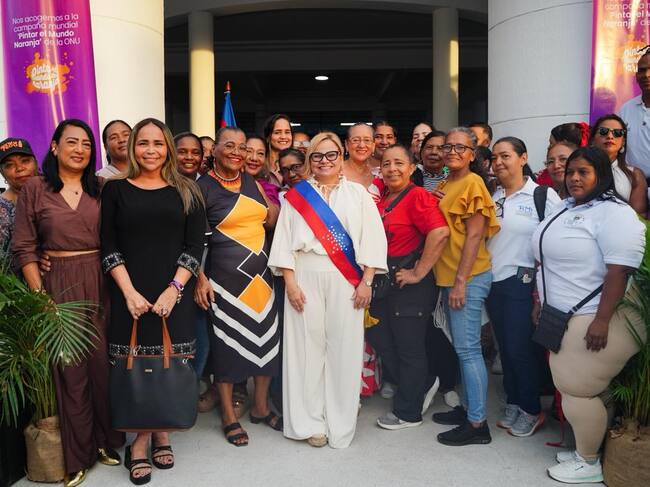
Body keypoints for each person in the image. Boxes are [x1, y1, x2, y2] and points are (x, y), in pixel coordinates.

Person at [13, 119, 123, 487]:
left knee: (102, 368)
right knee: (69, 371)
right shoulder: (36, 188)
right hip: (58, 284)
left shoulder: (102, 188)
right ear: (55, 147)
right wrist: (40, 295)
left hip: (100, 280)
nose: (79, 149)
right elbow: (25, 247)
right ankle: (78, 456)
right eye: (72, 142)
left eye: (87, 144)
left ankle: (106, 441)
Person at [101, 118, 205, 484]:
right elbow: (108, 244)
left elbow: (194, 246)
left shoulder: (188, 190)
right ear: (133, 148)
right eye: (143, 143)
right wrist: (129, 292)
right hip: (128, 293)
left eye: (158, 143)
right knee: (135, 367)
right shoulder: (115, 190)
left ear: (168, 149)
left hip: (174, 294)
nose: (150, 150)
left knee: (168, 364)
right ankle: (141, 440)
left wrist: (173, 290)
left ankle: (162, 431)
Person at [532, 147, 646, 484]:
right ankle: (587, 449)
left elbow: (620, 270)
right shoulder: (567, 207)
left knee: (577, 388)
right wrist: (540, 301)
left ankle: (588, 461)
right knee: (580, 388)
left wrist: (602, 320)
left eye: (584, 172)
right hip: (562, 311)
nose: (574, 178)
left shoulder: (614, 213)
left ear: (602, 175)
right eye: (571, 172)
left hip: (594, 313)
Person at [268, 132, 387, 448]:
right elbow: (284, 242)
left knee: (343, 350)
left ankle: (340, 422)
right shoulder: (297, 196)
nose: (325, 161)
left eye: (331, 154)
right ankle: (310, 422)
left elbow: (373, 239)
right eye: (317, 156)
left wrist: (367, 282)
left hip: (346, 279)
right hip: (304, 275)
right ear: (310, 160)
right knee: (306, 351)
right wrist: (290, 284)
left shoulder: (359, 195)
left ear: (341, 155)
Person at [194, 127, 281, 447]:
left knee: (268, 343)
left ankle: (260, 408)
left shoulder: (252, 182)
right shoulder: (201, 188)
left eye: (242, 147)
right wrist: (200, 279)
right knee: (227, 348)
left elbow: (272, 221)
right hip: (224, 281)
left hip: (262, 280)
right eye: (229, 145)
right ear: (214, 150)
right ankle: (229, 416)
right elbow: (191, 240)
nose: (237, 152)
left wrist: (268, 201)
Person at [366, 145, 449, 430]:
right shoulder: (384, 199)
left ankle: (408, 412)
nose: (392, 169)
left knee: (408, 348)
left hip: (409, 285)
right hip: (385, 282)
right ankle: (422, 384)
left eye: (399, 163)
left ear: (412, 168)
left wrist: (418, 272)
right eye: (387, 164)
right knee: (381, 339)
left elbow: (440, 232)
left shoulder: (418, 196)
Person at [486, 137, 561, 438]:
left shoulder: (542, 195)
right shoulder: (493, 195)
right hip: (493, 281)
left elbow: (555, 241)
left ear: (523, 158)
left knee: (520, 349)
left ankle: (531, 409)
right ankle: (515, 401)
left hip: (523, 282)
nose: (499, 162)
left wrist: (542, 294)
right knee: (505, 348)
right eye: (494, 157)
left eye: (505, 156)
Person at [432, 127, 500, 446]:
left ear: (473, 154)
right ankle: (471, 410)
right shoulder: (446, 182)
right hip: (450, 277)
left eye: (461, 147)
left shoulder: (473, 183)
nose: (452, 152)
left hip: (468, 277)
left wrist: (460, 282)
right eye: (448, 147)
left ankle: (477, 425)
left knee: (469, 350)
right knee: (463, 348)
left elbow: (475, 235)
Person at [589, 114, 648, 216]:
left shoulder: (635, 175)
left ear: (623, 142)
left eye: (617, 133)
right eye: (603, 131)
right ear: (593, 139)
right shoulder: (578, 171)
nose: (610, 136)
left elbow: (638, 216)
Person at [0, 138, 38, 257]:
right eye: (9, 165)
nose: (19, 168)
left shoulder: (56, 192)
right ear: (2, 172)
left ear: (36, 163)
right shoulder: (2, 208)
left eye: (25, 161)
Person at [619, 47, 650, 179]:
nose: (646, 75)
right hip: (634, 183)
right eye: (642, 70)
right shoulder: (626, 109)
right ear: (636, 76)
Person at [342, 123, 381, 202]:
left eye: (367, 140)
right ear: (346, 144)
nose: (362, 145)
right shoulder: (335, 173)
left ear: (373, 146)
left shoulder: (379, 175)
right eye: (355, 140)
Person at [244, 135, 281, 206]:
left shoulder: (269, 189)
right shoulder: (226, 183)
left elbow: (274, 213)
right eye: (249, 151)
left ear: (265, 159)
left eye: (260, 153)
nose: (254, 158)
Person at [264, 114, 293, 186]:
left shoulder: (300, 164)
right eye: (277, 132)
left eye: (287, 132)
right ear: (268, 137)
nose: (283, 137)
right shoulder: (259, 163)